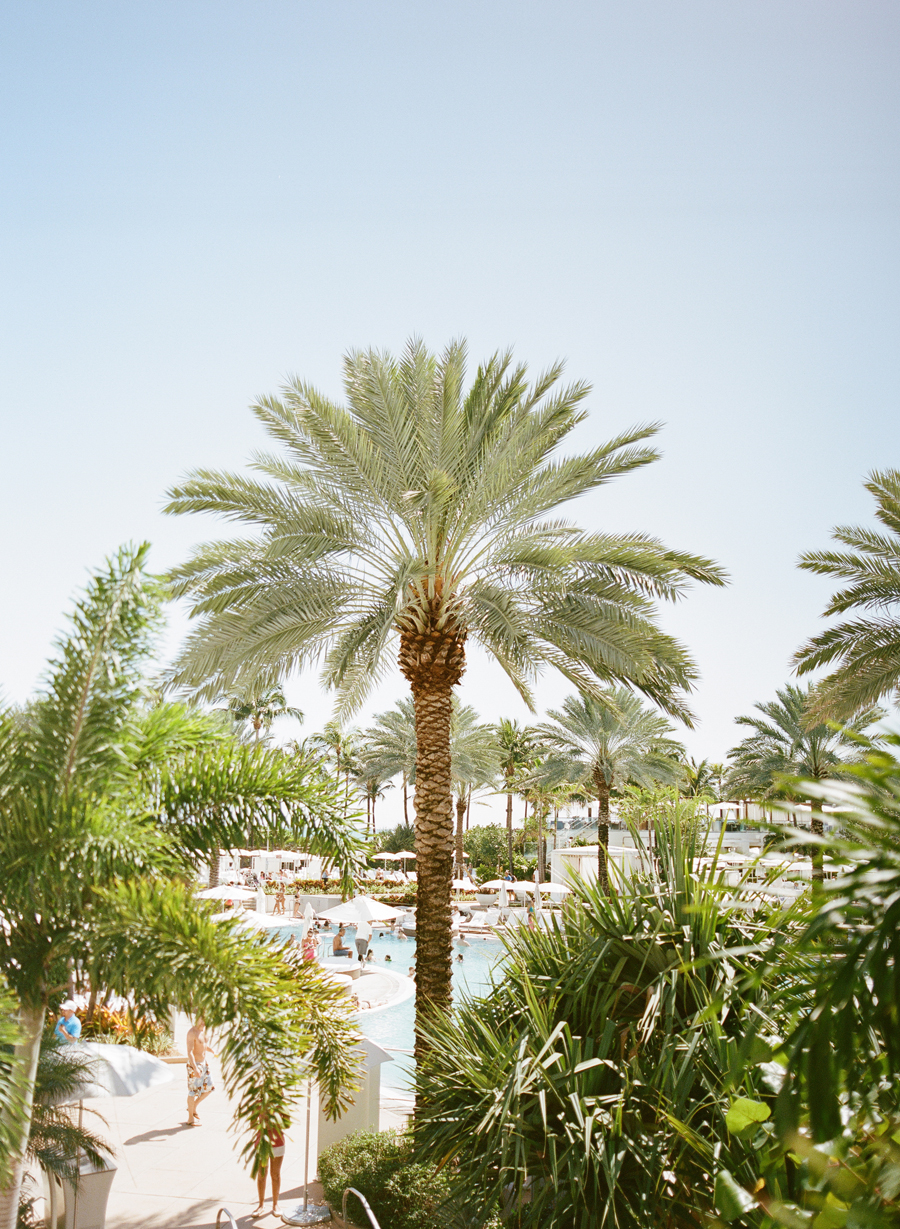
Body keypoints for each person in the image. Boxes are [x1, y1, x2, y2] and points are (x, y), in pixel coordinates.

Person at [251, 1118, 286, 1217]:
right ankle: (261, 1205)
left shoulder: (279, 1103)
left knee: (275, 1174)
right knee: (261, 1175)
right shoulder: (258, 1103)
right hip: (261, 1143)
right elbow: (252, 1124)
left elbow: (287, 1124)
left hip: (278, 1142)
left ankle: (275, 1204)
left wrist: (272, 1125)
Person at [186, 1016, 216, 1125]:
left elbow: (203, 1045)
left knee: (209, 1088)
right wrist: (195, 1068)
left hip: (204, 1064)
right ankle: (190, 1118)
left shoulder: (204, 1031)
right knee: (192, 1091)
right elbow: (189, 1052)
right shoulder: (192, 1033)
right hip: (195, 1065)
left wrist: (211, 1050)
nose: (204, 1022)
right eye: (202, 1019)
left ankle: (193, 1106)